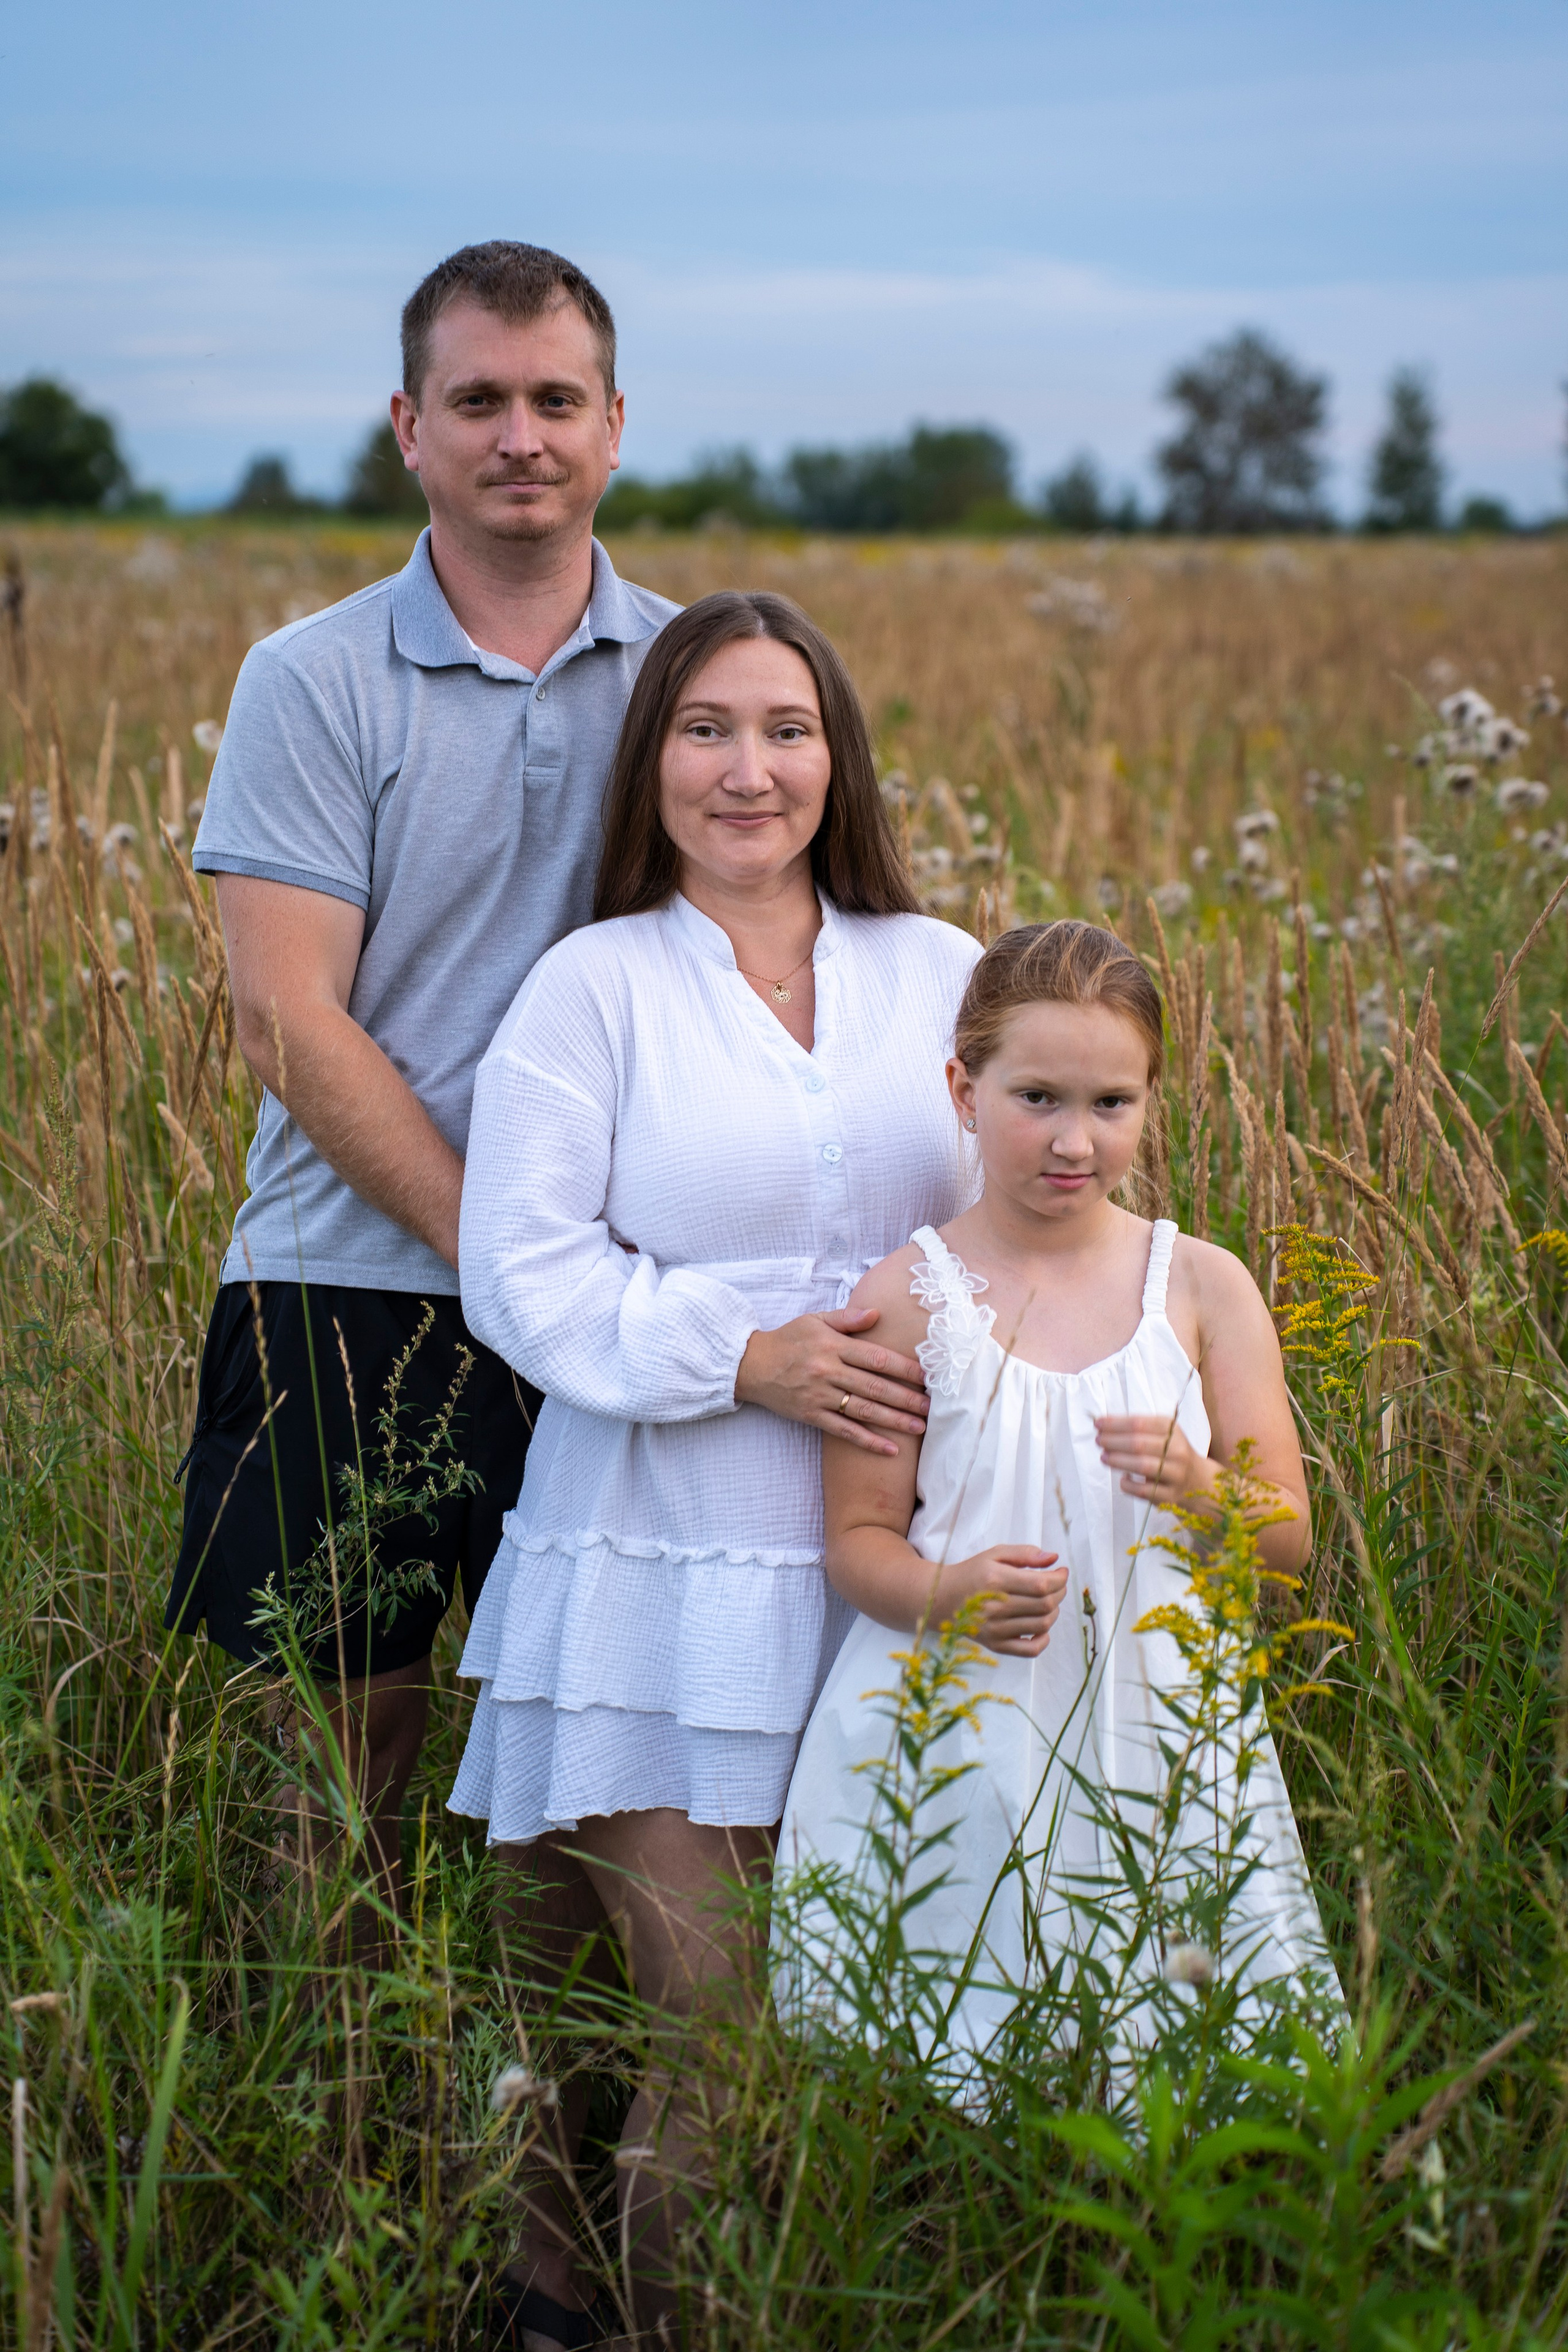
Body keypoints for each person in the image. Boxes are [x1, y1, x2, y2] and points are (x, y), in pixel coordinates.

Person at [451, 589, 981, 2346]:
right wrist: (739, 1355)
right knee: (719, 2035)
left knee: (863, 2027)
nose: (748, 769)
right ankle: (577, 2313)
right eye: (704, 729)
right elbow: (520, 1265)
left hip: (888, 1584)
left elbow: (1044, 1214)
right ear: (652, 762)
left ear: (841, 758)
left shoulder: (941, 973)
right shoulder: (595, 984)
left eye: (787, 729)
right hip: (657, 1572)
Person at [164, 241, 678, 1909]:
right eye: (478, 400)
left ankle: (549, 2129)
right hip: (347, 1282)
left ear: (617, 424)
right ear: (409, 426)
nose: (518, 435)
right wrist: (506, 1253)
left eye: (554, 400)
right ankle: (331, 2139)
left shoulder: (698, 681)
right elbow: (290, 1023)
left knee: (605, 1774)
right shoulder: (309, 679)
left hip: (616, 1301)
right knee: (340, 1776)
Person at [775, 919, 1340, 2078]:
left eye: (1111, 1104)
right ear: (962, 1090)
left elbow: (1286, 1541)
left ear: (1147, 1102)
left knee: (1177, 2054)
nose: (1073, 1140)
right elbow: (858, 1543)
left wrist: (1195, 1487)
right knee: (946, 2037)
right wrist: (948, 1593)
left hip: (1162, 1729)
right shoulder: (908, 1296)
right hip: (956, 1727)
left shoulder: (1199, 1286)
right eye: (1036, 1097)